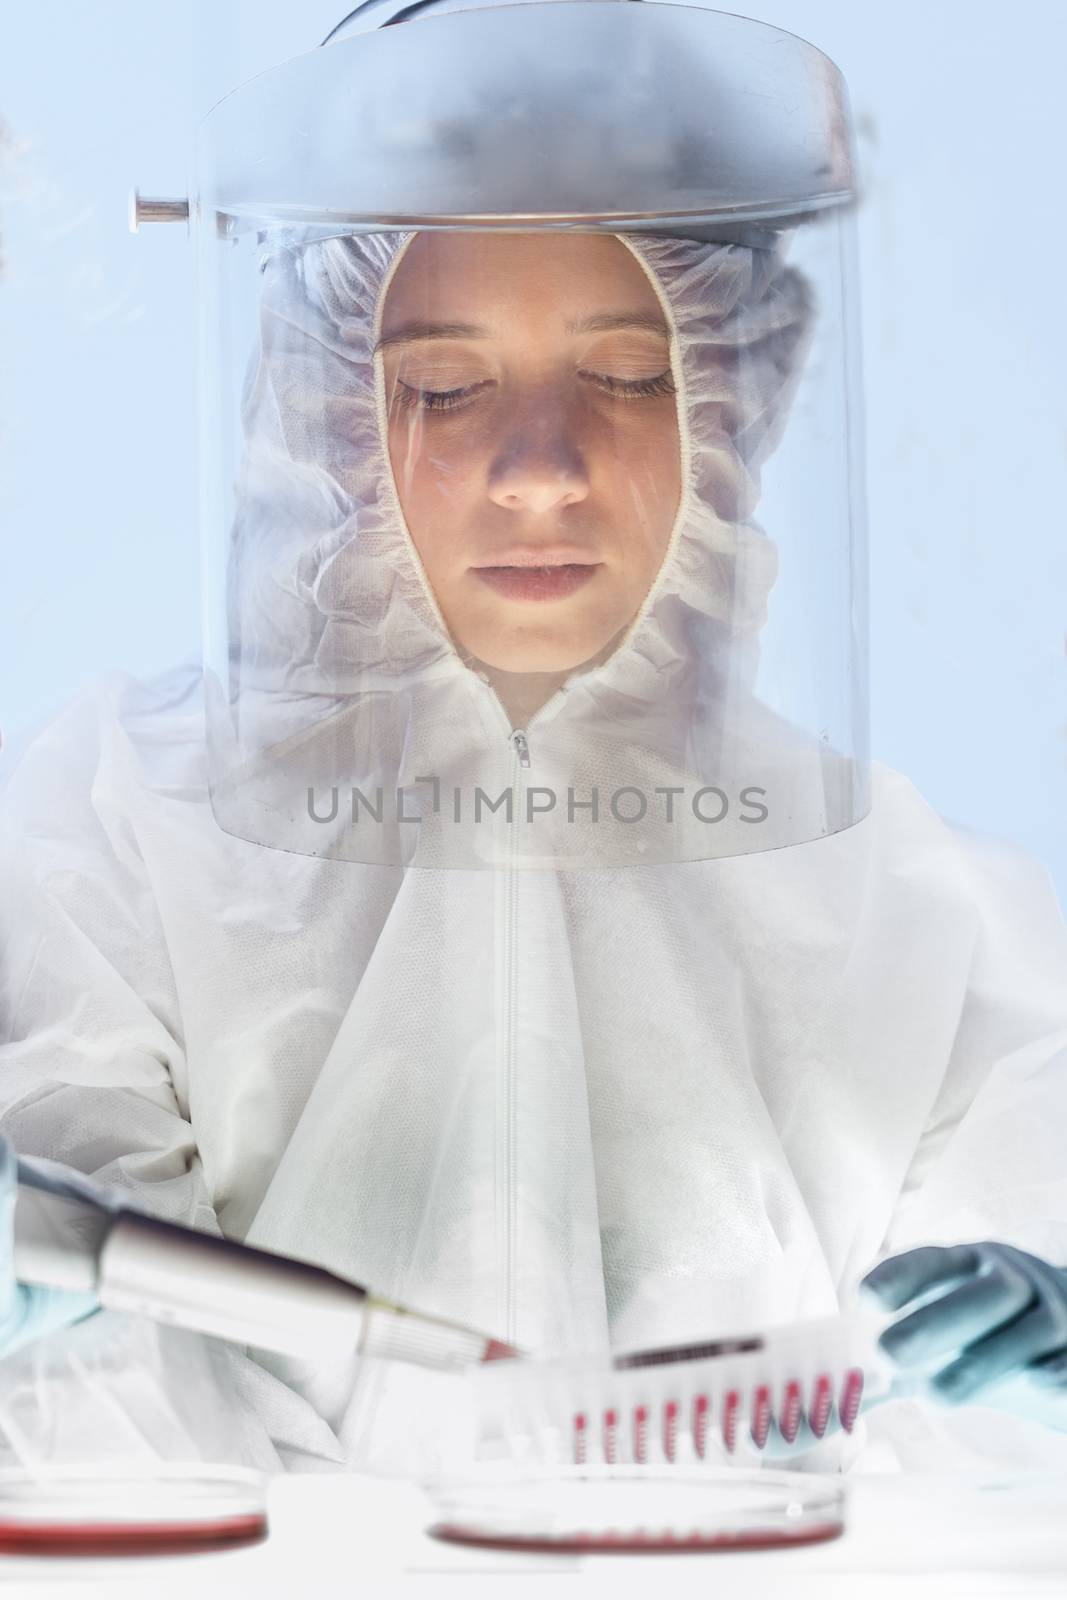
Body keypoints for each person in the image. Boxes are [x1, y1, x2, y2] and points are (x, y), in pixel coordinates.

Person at [2, 3, 1067, 1479]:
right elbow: (98, 1425)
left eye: (628, 377)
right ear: (328, 416)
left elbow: (986, 1389)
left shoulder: (916, 914)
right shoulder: (116, 836)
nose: (542, 475)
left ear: (731, 393)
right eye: (445, 386)